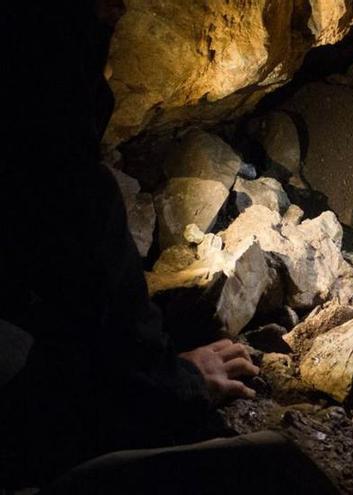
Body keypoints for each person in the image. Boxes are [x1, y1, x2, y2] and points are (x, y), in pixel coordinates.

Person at [0, 3, 307, 491]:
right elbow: (132, 379)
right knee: (284, 462)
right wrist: (184, 381)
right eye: (106, 24)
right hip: (23, 446)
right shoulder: (59, 179)